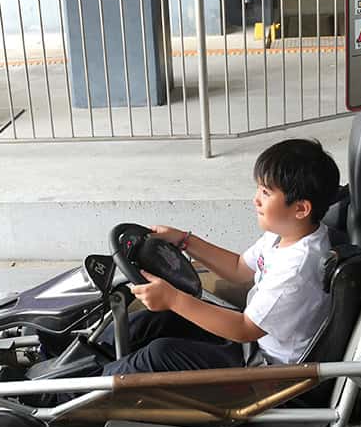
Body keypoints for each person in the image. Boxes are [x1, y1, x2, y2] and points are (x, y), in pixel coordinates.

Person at [100, 138, 340, 375]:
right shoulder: (287, 234)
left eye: (266, 193)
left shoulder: (296, 270)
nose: (255, 199)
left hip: (264, 369)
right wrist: (184, 240)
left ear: (300, 209)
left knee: (159, 353)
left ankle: (73, 394)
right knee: (155, 321)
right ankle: (93, 356)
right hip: (250, 341)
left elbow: (244, 329)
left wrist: (173, 298)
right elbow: (238, 268)